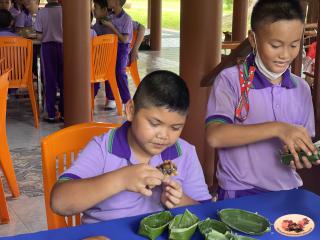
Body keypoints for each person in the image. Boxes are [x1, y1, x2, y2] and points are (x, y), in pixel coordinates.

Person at [51, 70, 211, 223]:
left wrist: (179, 201)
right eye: (155, 123)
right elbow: (59, 202)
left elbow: (206, 213)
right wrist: (121, 179)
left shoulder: (185, 153)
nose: (164, 136)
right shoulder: (103, 149)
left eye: (175, 128)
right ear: (131, 110)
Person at [205, 0, 319, 201]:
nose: (285, 54)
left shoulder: (300, 88)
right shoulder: (230, 80)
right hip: (239, 192)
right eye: (275, 45)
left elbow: (301, 144)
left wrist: (299, 155)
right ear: (253, 39)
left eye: (294, 45)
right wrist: (278, 128)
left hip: (288, 190)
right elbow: (215, 136)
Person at [94, 0, 132, 110]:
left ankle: (127, 101)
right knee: (106, 69)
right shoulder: (109, 16)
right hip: (109, 48)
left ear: (116, 2)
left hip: (122, 48)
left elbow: (124, 39)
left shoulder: (126, 19)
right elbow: (98, 28)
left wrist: (111, 27)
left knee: (119, 71)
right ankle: (111, 98)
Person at [34, 0, 63, 123]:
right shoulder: (64, 11)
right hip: (63, 47)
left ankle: (50, 113)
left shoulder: (41, 13)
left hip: (47, 48)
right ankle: (65, 113)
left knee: (49, 80)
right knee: (63, 80)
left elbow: (39, 36)